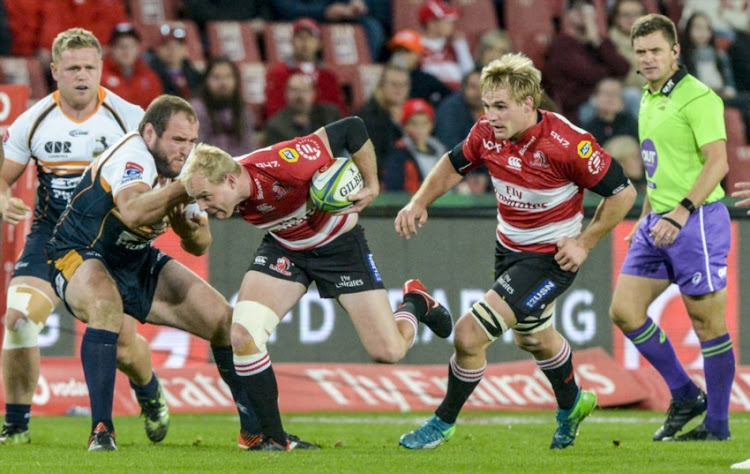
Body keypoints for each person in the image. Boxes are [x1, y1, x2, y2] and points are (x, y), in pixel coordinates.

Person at [395, 52, 636, 450]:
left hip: (551, 259)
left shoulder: (569, 144)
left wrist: (584, 244)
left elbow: (623, 193)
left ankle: (442, 422)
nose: (491, 115)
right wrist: (419, 202)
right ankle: (573, 403)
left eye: (501, 106)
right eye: (487, 106)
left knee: (469, 337)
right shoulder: (486, 133)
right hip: (509, 248)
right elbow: (453, 164)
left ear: (529, 103)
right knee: (535, 339)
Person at [180, 116, 454, 450]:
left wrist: (372, 183)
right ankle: (274, 439)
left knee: (389, 351)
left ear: (229, 179)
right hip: (287, 247)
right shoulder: (227, 188)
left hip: (340, 247)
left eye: (206, 197)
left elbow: (353, 127)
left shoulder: (284, 164)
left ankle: (415, 304)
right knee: (243, 334)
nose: (204, 207)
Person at [43, 95, 270, 452]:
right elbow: (132, 212)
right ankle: (102, 431)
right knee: (105, 307)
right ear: (150, 133)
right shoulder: (133, 154)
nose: (186, 150)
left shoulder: (188, 169)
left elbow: (201, 243)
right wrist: (185, 187)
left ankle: (254, 433)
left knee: (224, 321)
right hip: (79, 252)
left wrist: (188, 230)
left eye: (192, 141)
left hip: (135, 259)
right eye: (178, 140)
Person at [0, 28, 169, 446]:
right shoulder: (34, 119)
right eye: (72, 68)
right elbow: (3, 180)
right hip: (52, 239)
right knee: (18, 321)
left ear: (100, 70)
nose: (82, 75)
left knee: (125, 345)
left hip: (108, 243)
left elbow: (164, 172)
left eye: (89, 67)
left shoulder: (130, 117)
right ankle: (17, 427)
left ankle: (150, 394)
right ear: (55, 71)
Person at [608, 14, 733, 442]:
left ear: (675, 51)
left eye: (656, 50)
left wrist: (679, 212)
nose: (647, 59)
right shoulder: (646, 95)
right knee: (624, 311)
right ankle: (684, 395)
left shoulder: (698, 98)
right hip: (658, 219)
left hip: (695, 221)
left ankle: (717, 425)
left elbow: (718, 163)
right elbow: (658, 165)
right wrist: (646, 213)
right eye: (640, 51)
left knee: (707, 323)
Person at [544, 0, 630, 122]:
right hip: (579, 107)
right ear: (567, 14)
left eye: (588, 9)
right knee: (627, 98)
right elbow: (591, 75)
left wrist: (596, 41)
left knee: (632, 96)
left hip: (606, 96)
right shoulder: (561, 45)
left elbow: (623, 68)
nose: (583, 13)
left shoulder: (599, 42)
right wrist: (611, 72)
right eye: (578, 9)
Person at [263, 17, 346, 120]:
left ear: (319, 43)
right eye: (300, 37)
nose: (305, 42)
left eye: (310, 37)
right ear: (292, 41)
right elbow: (274, 112)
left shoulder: (328, 76)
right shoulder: (278, 73)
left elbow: (338, 112)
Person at [190, 56, 259, 157]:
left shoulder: (243, 110)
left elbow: (250, 148)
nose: (223, 83)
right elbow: (194, 150)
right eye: (216, 77)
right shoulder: (196, 110)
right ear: (206, 81)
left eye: (228, 77)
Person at [356, 64, 410, 179]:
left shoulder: (404, 114)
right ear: (381, 86)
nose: (399, 89)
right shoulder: (369, 118)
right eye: (394, 84)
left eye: (403, 85)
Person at [384, 98, 446, 192]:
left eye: (424, 123)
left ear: (431, 125)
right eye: (414, 123)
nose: (419, 129)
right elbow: (394, 188)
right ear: (405, 126)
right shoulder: (399, 153)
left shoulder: (440, 150)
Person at [263, 72, 342, 144]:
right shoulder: (276, 125)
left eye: (304, 90)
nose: (299, 96)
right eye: (294, 90)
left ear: (314, 93)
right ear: (286, 93)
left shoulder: (330, 115)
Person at [101, 22, 164, 110]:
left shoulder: (150, 77)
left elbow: (157, 110)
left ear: (138, 49)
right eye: (121, 46)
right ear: (111, 49)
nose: (126, 52)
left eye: (131, 46)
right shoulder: (99, 76)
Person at [417, 0, 474, 91]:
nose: (452, 25)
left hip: (457, 94)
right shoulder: (416, 45)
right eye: (448, 21)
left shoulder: (455, 45)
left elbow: (470, 74)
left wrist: (461, 48)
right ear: (431, 23)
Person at [145, 23, 202, 99]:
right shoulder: (150, 76)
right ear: (157, 50)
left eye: (177, 46)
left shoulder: (195, 75)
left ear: (185, 49)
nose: (172, 50)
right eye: (166, 46)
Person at [579, 77, 639, 144]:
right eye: (606, 93)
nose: (610, 98)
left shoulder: (630, 123)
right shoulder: (588, 127)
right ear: (595, 98)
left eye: (615, 94)